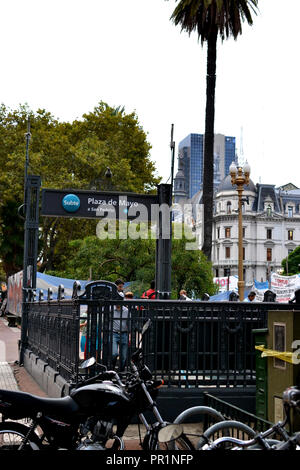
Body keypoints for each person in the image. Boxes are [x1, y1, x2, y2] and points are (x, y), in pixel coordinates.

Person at [111, 292, 132, 371]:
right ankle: (112, 369)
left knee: (123, 356)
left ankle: (121, 371)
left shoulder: (126, 311)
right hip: (114, 333)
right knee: (114, 353)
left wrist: (129, 336)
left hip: (124, 334)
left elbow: (129, 323)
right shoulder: (111, 309)